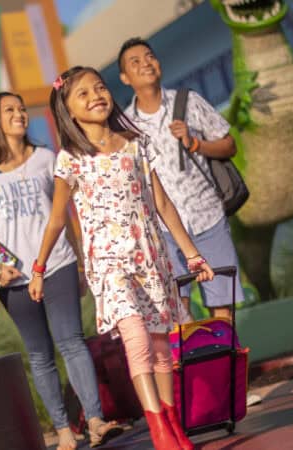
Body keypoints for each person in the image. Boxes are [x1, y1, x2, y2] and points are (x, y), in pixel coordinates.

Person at [29, 66, 214, 450]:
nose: (96, 95)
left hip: (150, 257)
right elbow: (57, 218)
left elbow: (161, 202)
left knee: (162, 346)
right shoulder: (70, 159)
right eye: (83, 93)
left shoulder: (135, 143)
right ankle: (159, 431)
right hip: (110, 265)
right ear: (68, 110)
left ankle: (173, 423)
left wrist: (192, 255)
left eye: (99, 87)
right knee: (135, 337)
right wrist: (40, 266)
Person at [0, 92, 122, 450]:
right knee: (40, 354)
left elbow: (66, 215)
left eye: (21, 109)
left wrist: (81, 261)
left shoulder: (47, 159)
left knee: (72, 341)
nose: (19, 114)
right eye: (10, 110)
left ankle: (95, 420)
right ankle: (64, 430)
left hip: (58, 263)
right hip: (13, 278)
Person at [118, 37, 246, 321]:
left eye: (149, 56)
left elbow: (229, 146)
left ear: (158, 63)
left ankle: (227, 364)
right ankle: (192, 366)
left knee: (222, 307)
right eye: (135, 62)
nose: (145, 64)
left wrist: (195, 144)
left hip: (207, 217)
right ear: (125, 78)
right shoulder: (126, 127)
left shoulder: (189, 102)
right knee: (179, 311)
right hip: (162, 231)